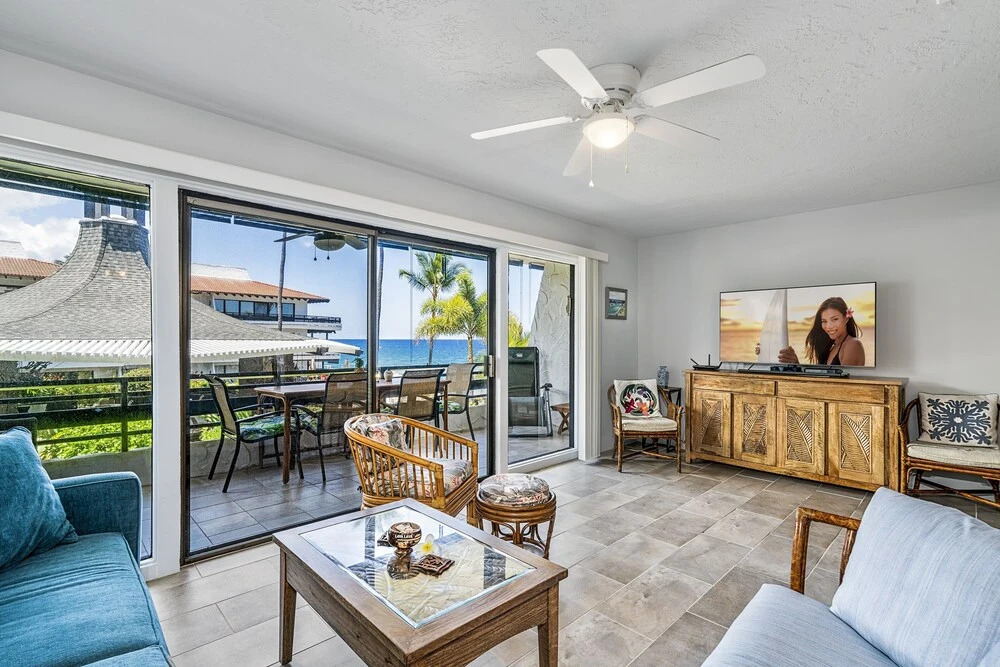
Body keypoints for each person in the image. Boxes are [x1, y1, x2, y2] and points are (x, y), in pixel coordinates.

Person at [778, 297, 865, 366]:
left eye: (835, 319)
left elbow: (842, 383)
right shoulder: (833, 346)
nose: (829, 326)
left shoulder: (853, 345)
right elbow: (824, 381)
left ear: (846, 319)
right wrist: (796, 365)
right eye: (824, 321)